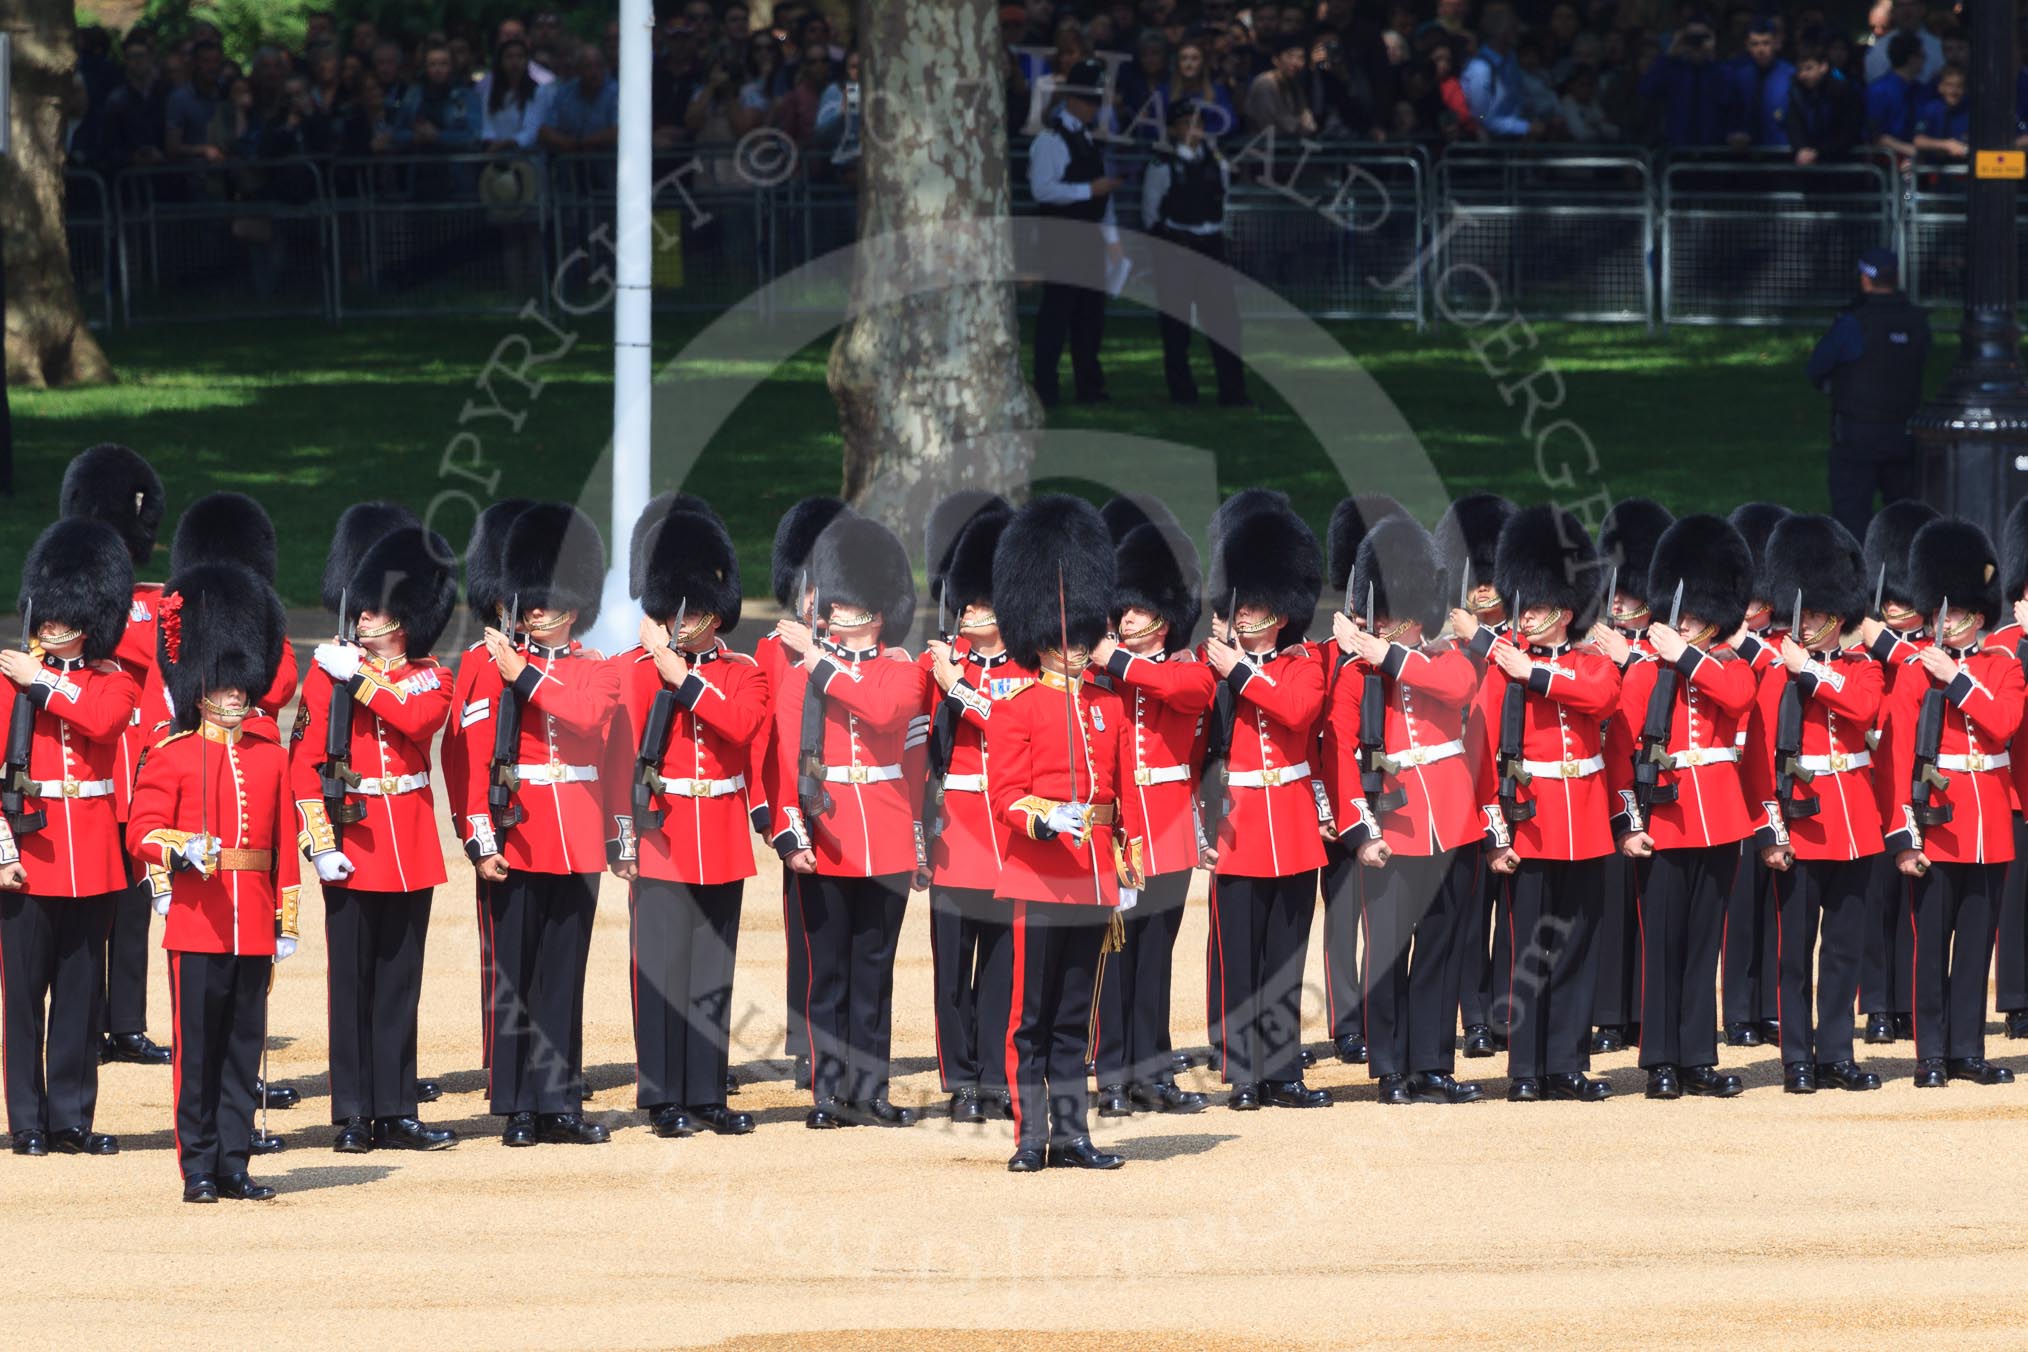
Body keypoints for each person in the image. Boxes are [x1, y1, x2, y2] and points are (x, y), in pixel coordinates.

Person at [456, 503, 629, 1147]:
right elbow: (473, 757)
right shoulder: (484, 666)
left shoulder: (598, 668)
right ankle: (518, 1104)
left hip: (576, 837)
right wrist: (479, 836)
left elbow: (587, 722)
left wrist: (522, 675)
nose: (535, 610)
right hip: (515, 832)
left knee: (563, 974)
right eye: (529, 599)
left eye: (548, 600)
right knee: (514, 974)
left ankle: (559, 1101)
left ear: (573, 606)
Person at [128, 561, 299, 1203]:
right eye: (224, 687)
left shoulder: (271, 758)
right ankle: (197, 1165)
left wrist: (285, 920)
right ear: (201, 688)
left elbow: (281, 847)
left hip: (251, 923)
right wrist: (180, 848)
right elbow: (140, 830)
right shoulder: (170, 755)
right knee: (196, 1055)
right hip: (197, 923)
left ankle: (234, 1163)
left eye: (240, 688)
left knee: (240, 1052)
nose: (235, 697)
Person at [289, 521, 458, 1155]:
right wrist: (320, 842)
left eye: (379, 611)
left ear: (409, 620)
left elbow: (417, 719)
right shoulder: (324, 677)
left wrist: (358, 677)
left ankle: (397, 1109)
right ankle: (354, 1113)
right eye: (362, 609)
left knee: (398, 987)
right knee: (351, 985)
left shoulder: (430, 676)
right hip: (352, 847)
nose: (364, 619)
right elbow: (303, 765)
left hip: (409, 847)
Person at [987, 495, 1138, 1172]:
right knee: (1032, 1016)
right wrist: (1048, 818)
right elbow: (1005, 797)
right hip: (1040, 870)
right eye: (1063, 637)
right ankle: (1030, 1134)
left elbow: (1122, 792)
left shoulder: (1106, 704)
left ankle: (1073, 1133)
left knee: (1079, 1012)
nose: (1074, 649)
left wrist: (1126, 863)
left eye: (1081, 636)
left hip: (1094, 874)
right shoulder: (1014, 707)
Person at [614, 508, 768, 1140]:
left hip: (722, 833)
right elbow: (616, 757)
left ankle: (706, 1090)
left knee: (712, 971)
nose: (686, 618)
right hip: (662, 830)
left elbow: (741, 728)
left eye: (696, 607)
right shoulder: (632, 670)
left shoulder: (743, 671)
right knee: (661, 970)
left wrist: (683, 680)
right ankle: (663, 1095)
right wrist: (623, 840)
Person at [769, 514, 927, 1129]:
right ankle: (828, 1091)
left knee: (873, 972)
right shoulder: (798, 675)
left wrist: (819, 664)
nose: (839, 612)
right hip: (828, 835)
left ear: (879, 613)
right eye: (836, 603)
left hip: (884, 834)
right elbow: (786, 759)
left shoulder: (897, 668)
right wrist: (791, 831)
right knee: (827, 974)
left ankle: (872, 1088)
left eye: (853, 604)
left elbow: (886, 711)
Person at [1328, 514, 1483, 1105]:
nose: (1387, 625)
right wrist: (1360, 832)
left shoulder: (1443, 659)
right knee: (1389, 951)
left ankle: (1432, 1065)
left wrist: (1389, 657)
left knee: (1444, 947)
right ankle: (1390, 1065)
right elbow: (1341, 756)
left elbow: (1459, 689)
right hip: (1391, 827)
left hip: (1450, 825)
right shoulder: (1354, 676)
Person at [1473, 505, 1621, 1103]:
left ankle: (1566, 1063)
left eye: (1535, 606)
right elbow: (1482, 754)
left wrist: (1533, 672)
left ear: (1563, 609)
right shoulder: (1499, 670)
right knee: (1525, 949)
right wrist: (1497, 835)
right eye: (1522, 604)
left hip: (1583, 824)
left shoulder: (1584, 662)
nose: (1524, 614)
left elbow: (1602, 696)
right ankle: (1526, 1068)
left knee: (1577, 948)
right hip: (1529, 824)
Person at [0, 521, 138, 1159]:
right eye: (47, 617)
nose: (54, 628)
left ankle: (70, 1119)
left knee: (82, 998)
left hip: (92, 860)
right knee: (23, 998)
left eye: (67, 619)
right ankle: (26, 1120)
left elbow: (103, 722)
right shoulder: (5, 684)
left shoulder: (113, 680)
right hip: (29, 856)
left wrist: (41, 680)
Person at [1612, 516, 1757, 1101]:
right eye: (1680, 616)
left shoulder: (1726, 663)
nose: (1684, 625)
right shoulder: (1645, 670)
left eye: (1694, 617)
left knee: (1704, 945)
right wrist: (1629, 822)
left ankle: (1698, 1056)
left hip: (1719, 816)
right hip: (1665, 820)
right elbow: (1623, 750)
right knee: (1663, 944)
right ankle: (1660, 1060)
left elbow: (1738, 696)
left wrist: (1688, 658)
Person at [1878, 518, 2024, 1088]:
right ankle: (1931, 1054)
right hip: (1937, 822)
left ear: (1977, 617)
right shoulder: (1915, 673)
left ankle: (1966, 1049)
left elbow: (2004, 724)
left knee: (1975, 948)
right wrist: (1906, 834)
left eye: (1951, 612)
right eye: (1937, 612)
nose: (1939, 622)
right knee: (1931, 944)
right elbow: (1898, 759)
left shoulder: (2003, 666)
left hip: (1988, 822)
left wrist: (1957, 681)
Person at [1742, 514, 1884, 1093]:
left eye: (1823, 616)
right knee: (1795, 954)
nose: (1813, 625)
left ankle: (1836, 1054)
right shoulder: (1770, 672)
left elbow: (1865, 711)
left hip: (1852, 826)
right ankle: (1797, 1056)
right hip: (1798, 827)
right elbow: (1758, 761)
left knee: (1845, 952)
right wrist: (1772, 831)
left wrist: (1813, 674)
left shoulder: (1861, 668)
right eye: (1807, 616)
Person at [1202, 503, 1332, 1112]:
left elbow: (1299, 713)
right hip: (1239, 825)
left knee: (1286, 957)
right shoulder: (1214, 669)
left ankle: (1284, 1072)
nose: (1240, 615)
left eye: (1250, 607)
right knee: (1241, 959)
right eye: (1238, 605)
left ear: (1278, 615)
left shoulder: (1305, 663)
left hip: (1294, 823)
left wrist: (1242, 672)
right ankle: (1244, 1071)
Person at [1087, 505, 1212, 1117]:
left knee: (1156, 961)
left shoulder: (1187, 671)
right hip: (1120, 833)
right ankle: (1112, 1076)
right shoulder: (1104, 679)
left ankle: (1150, 1074)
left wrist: (1113, 658)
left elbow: (1180, 693)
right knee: (1115, 959)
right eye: (1122, 608)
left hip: (1168, 832)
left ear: (1162, 619)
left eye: (1135, 610)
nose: (1124, 618)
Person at [59, 444, 172, 1068]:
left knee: (134, 904)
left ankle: (126, 1022)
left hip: (146, 765)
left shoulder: (154, 601)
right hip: (95, 768)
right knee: (90, 909)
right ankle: (88, 1019)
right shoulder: (74, 599)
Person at [917, 496, 1017, 1125]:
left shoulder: (1025, 668)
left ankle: (996, 1073)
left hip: (1006, 832)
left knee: (1004, 964)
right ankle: (961, 1079)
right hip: (953, 828)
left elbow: (1012, 733)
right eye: (967, 597)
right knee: (952, 967)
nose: (972, 608)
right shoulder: (937, 667)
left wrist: (959, 685)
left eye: (983, 598)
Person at [1434, 492, 1514, 1060]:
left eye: (1491, 577)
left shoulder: (1516, 643)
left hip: (1516, 784)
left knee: (1512, 913)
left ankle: (1507, 1009)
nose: (1482, 588)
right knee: (1467, 913)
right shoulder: (1446, 644)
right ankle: (1474, 1017)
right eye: (1475, 577)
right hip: (1462, 786)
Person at [1855, 499, 1938, 1045]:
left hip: (1916, 775)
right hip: (1872, 776)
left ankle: (1908, 1000)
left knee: (1917, 899)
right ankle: (1879, 1002)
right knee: (1875, 896)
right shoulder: (1863, 646)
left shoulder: (1926, 645)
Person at [1720, 501, 1793, 1049]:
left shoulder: (1777, 647)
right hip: (1734, 774)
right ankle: (1739, 1010)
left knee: (1775, 905)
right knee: (1739, 907)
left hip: (1774, 774)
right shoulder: (1727, 645)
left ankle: (1768, 1006)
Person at [1807, 247, 1931, 542]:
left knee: (1851, 521)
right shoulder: (1917, 322)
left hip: (1856, 436)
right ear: (1896, 277)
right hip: (1904, 433)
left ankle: (1857, 581)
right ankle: (1904, 581)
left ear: (1865, 279)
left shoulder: (1853, 323)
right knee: (1904, 521)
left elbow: (1817, 367)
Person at [1141, 98, 1248, 408]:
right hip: (1177, 248)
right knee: (1176, 326)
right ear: (1174, 129)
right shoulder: (1161, 164)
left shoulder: (1218, 162)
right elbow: (1151, 212)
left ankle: (1233, 392)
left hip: (1211, 245)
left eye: (1198, 124)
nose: (1193, 130)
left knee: (1225, 323)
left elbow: (1222, 202)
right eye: (1186, 124)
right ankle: (1182, 393)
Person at [1028, 58, 1122, 408]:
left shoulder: (1088, 140)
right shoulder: (1051, 140)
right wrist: (1088, 191)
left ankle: (1090, 386)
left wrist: (1111, 241)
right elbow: (1043, 189)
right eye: (1090, 100)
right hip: (1062, 239)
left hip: (1089, 239)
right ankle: (1046, 387)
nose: (1095, 108)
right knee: (1057, 314)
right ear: (1073, 99)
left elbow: (1104, 195)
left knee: (1090, 317)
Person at [1638, 15, 1731, 148]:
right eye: (1692, 38)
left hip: (1713, 150)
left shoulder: (1722, 72)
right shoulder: (1674, 70)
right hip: (1677, 150)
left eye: (1702, 38)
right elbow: (1646, 89)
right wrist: (1671, 53)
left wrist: (1712, 54)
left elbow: (1731, 103)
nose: (1697, 43)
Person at [1461, 4, 1538, 139]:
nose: (1519, 31)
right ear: (1501, 31)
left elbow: (1518, 97)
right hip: (1496, 146)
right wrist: (1525, 127)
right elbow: (1482, 118)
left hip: (1521, 139)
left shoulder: (1511, 59)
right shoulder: (1480, 70)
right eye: (1513, 28)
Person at [392, 43, 481, 153]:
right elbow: (396, 133)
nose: (438, 69)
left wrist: (438, 136)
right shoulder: (413, 95)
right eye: (432, 64)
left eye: (443, 64)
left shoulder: (466, 96)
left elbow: (475, 135)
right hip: (420, 164)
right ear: (425, 67)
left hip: (454, 165)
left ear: (452, 66)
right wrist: (415, 136)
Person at [1785, 40, 1862, 166]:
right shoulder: (1797, 92)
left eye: (1808, 68)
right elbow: (1794, 124)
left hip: (1841, 165)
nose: (1803, 74)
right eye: (1800, 70)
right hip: (1811, 165)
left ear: (1823, 66)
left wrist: (1818, 152)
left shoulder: (1843, 91)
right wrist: (1802, 148)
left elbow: (1848, 132)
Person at [1723, 18, 1792, 148]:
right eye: (1755, 44)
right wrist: (1732, 133)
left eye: (1766, 43)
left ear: (1776, 44)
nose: (1760, 49)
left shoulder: (1790, 75)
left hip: (1781, 150)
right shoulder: (1739, 76)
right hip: (1744, 153)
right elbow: (1731, 113)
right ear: (1747, 46)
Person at [539, 43, 620, 154]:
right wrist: (565, 142)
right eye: (588, 66)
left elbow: (618, 131)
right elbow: (545, 131)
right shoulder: (565, 92)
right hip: (571, 162)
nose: (594, 72)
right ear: (578, 70)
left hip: (607, 162)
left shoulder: (615, 92)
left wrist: (583, 143)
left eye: (598, 66)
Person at [1864, 31, 1927, 161]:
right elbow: (1874, 134)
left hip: (1916, 163)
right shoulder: (1878, 91)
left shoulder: (1921, 90)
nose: (1925, 60)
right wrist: (1908, 150)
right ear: (1912, 58)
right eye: (1922, 55)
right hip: (1887, 163)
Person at [1863, 0, 1944, 85]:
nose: (1906, 11)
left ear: (1922, 9)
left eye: (1912, 5)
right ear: (1893, 11)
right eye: (1901, 5)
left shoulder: (1939, 48)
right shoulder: (1878, 50)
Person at [1913, 63, 1970, 162]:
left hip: (1964, 170)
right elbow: (1918, 141)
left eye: (1959, 86)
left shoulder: (1971, 112)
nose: (1954, 91)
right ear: (1941, 87)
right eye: (1949, 85)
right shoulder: (1931, 110)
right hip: (1934, 170)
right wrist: (1946, 145)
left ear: (1965, 89)